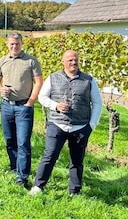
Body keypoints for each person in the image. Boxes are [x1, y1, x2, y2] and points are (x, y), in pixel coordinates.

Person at [29, 50, 102, 196]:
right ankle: (38, 187)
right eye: (70, 60)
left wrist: (91, 125)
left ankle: (74, 191)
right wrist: (55, 105)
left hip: (80, 127)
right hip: (57, 124)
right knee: (50, 155)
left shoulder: (89, 80)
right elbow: (42, 97)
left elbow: (97, 103)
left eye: (75, 60)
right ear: (63, 62)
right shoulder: (53, 78)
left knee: (77, 159)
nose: (73, 63)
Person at [0, 32, 43, 188]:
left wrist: (30, 102)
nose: (14, 46)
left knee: (23, 142)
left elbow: (39, 82)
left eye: (17, 44)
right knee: (9, 140)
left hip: (23, 107)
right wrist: (1, 89)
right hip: (6, 106)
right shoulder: (2, 61)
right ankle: (15, 168)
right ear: (7, 44)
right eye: (11, 44)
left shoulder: (31, 61)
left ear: (22, 44)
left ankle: (22, 177)